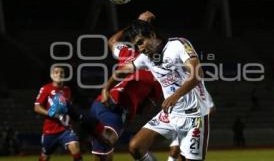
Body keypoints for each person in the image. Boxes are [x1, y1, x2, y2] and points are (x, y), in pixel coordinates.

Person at [102, 11, 212, 161]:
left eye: (141, 42)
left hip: (195, 116)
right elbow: (122, 71)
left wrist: (176, 95)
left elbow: (197, 73)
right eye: (136, 45)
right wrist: (106, 88)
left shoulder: (178, 45)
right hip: (170, 114)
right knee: (136, 146)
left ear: (152, 35)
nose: (139, 48)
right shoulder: (145, 58)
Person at [88, 11, 162, 161]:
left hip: (105, 104)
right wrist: (135, 24)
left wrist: (135, 24)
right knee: (106, 144)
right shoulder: (156, 72)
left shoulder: (127, 54)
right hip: (114, 106)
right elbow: (146, 109)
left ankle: (81, 119)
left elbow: (112, 41)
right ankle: (78, 118)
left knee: (103, 151)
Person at [34, 66, 83, 161]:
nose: (59, 74)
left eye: (61, 72)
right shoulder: (46, 89)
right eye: (56, 72)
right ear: (52, 75)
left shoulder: (67, 90)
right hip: (50, 130)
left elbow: (68, 108)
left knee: (75, 147)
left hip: (65, 128)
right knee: (45, 156)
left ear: (64, 75)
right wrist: (49, 113)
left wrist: (77, 117)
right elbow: (37, 107)